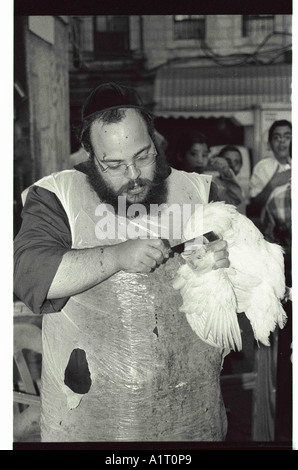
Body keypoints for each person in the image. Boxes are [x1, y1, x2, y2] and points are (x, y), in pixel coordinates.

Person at [14, 82, 230, 442]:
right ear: (88, 152)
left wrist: (224, 265)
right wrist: (117, 256)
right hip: (92, 418)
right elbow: (28, 275)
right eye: (113, 164)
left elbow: (244, 284)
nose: (133, 176)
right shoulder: (57, 195)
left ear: (154, 137)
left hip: (193, 409)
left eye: (143, 156)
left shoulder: (199, 190)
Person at [173, 132, 244, 207]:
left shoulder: (209, 185)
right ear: (180, 156)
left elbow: (234, 200)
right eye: (193, 154)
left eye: (204, 155)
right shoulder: (170, 182)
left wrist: (225, 170)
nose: (200, 160)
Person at [248, 120, 291, 221]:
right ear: (270, 143)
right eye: (276, 137)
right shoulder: (262, 167)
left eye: (287, 137)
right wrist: (272, 184)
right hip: (273, 228)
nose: (282, 141)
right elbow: (255, 207)